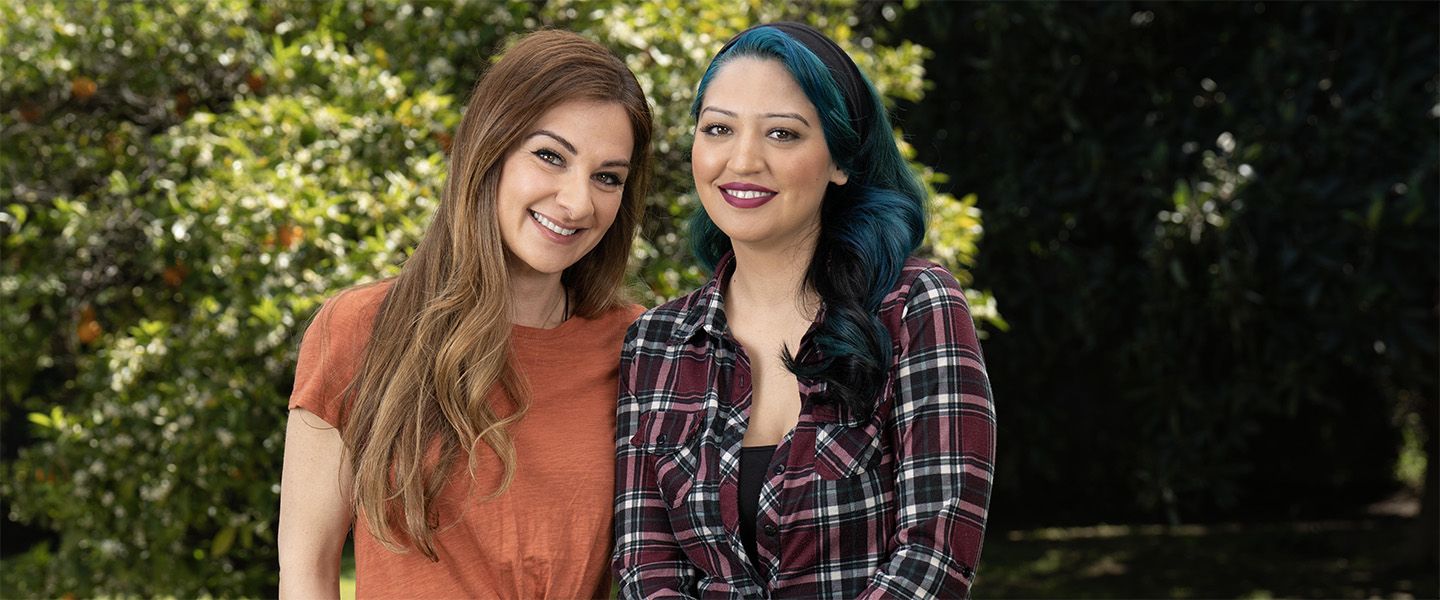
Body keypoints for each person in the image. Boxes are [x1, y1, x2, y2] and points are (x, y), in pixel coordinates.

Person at [613, 22, 995, 598]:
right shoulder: (655, 342)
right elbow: (647, 564)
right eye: (718, 128)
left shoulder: (914, 306)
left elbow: (934, 556)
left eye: (782, 135)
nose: (742, 160)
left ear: (841, 161)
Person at [278, 29, 652, 599]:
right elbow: (306, 572)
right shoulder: (358, 329)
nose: (578, 202)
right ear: (489, 148)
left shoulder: (641, 348)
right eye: (550, 156)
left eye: (607, 177)